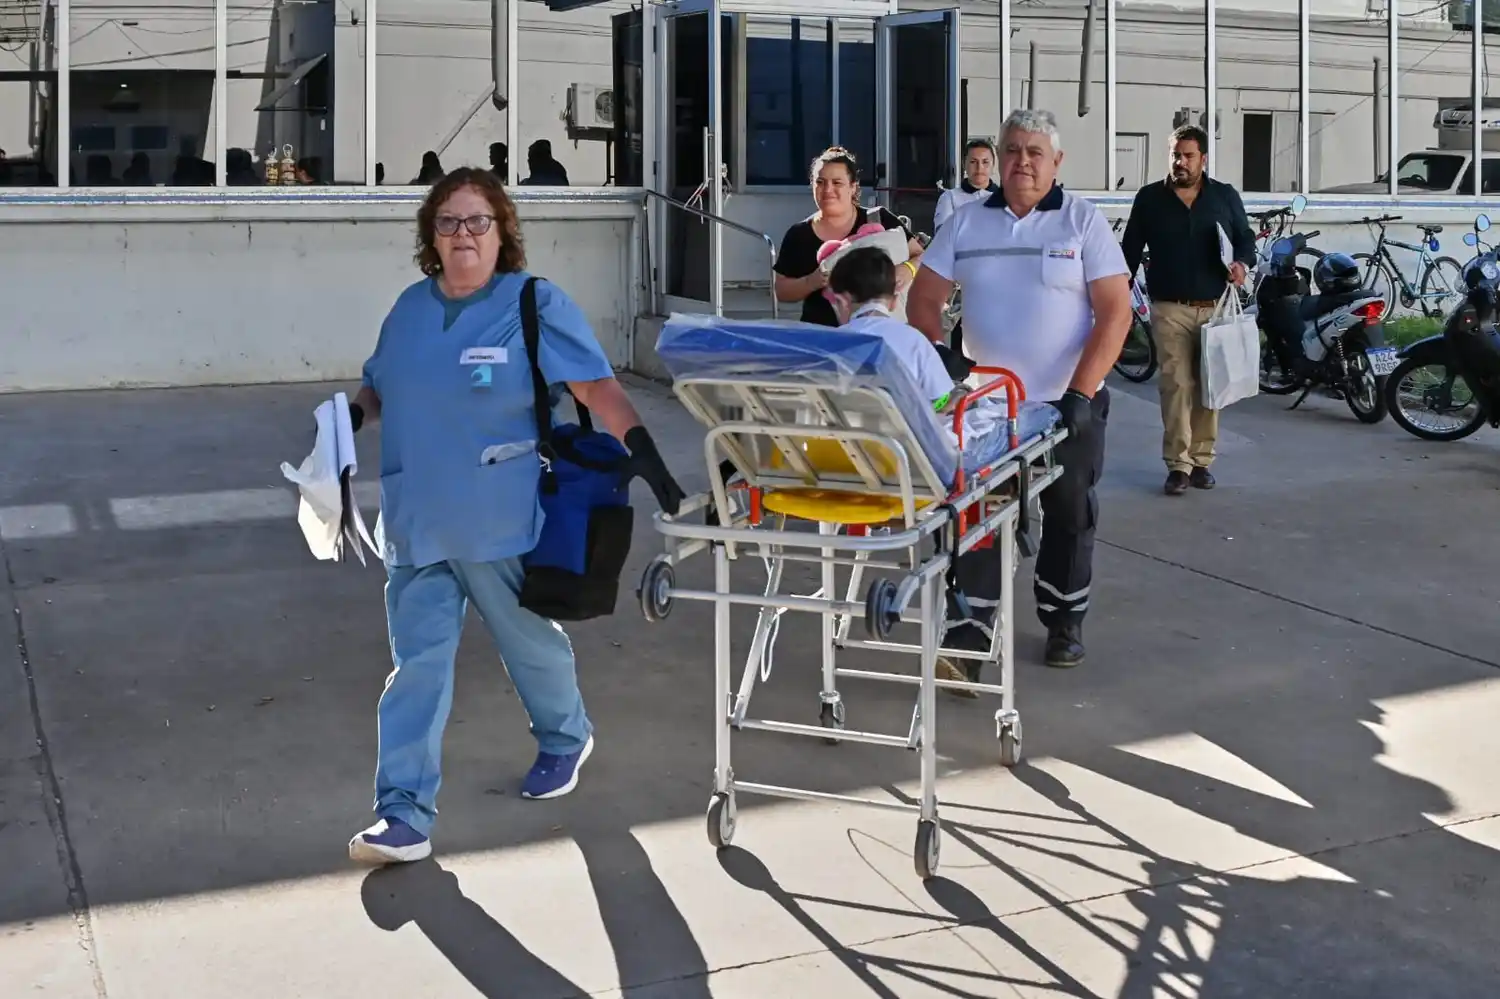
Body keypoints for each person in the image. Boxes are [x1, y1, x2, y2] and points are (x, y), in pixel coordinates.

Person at [345, 167, 686, 865]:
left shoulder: (532, 302)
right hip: (417, 521)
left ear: (503, 235)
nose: (463, 234)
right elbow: (377, 384)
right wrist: (346, 417)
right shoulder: (409, 309)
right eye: (448, 222)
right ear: (430, 238)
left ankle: (565, 735)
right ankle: (402, 813)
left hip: (501, 516)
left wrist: (645, 450)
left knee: (529, 642)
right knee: (415, 669)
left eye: (478, 222)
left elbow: (595, 385)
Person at [907, 108, 1133, 675]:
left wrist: (1081, 395)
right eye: (1012, 150)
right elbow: (924, 298)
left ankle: (1064, 620)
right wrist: (939, 355)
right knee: (978, 512)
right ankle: (969, 632)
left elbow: (1115, 313)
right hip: (988, 407)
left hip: (1066, 404)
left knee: (1069, 511)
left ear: (1056, 162)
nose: (1022, 162)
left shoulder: (1083, 222)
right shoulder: (965, 222)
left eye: (1035, 152)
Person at [1120, 124, 1256, 496]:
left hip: (1215, 309)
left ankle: (1201, 460)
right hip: (1169, 308)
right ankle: (1177, 465)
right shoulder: (1150, 199)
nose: (1180, 162)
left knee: (1210, 387)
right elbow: (1129, 250)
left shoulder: (1224, 197)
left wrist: (1242, 264)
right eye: (1175, 155)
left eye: (1188, 156)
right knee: (1176, 385)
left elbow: (1245, 238)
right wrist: (1116, 294)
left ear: (1203, 159)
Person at [773, 146, 926, 328]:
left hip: (880, 336)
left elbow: (923, 257)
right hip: (823, 338)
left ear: (853, 187)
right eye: (820, 182)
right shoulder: (799, 234)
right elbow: (781, 291)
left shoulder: (879, 219)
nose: (827, 189)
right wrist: (810, 282)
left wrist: (908, 269)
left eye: (837, 183)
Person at [828, 247, 967, 411]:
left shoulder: (828, 345)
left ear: (842, 302)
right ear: (894, 301)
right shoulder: (913, 340)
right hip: (904, 433)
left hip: (846, 431)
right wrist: (951, 400)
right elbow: (940, 398)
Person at [933, 138, 1000, 231]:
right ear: (964, 164)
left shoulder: (1007, 199)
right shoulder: (949, 198)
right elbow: (943, 235)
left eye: (985, 162)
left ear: (993, 165)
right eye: (973, 162)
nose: (979, 167)